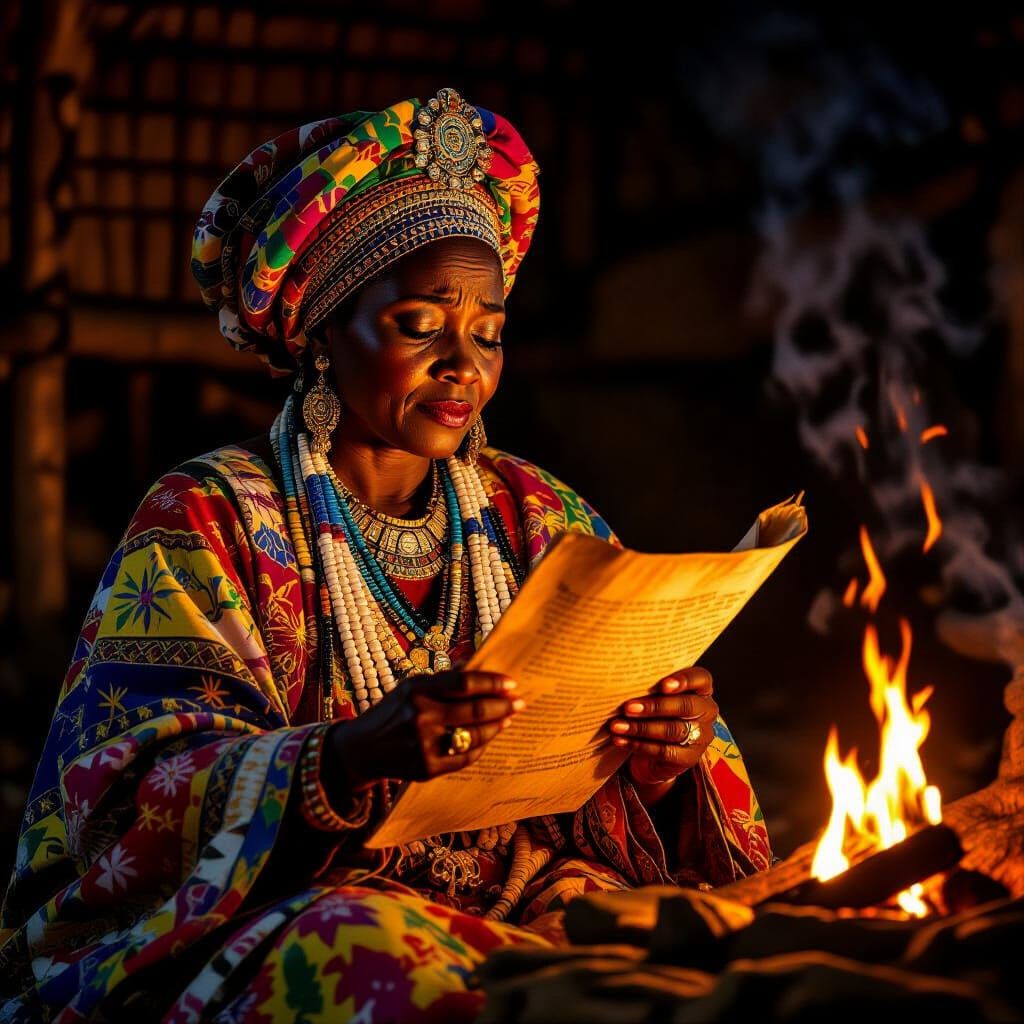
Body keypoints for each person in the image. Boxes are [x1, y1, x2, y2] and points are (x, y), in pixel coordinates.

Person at [0, 87, 771, 1022]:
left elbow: (635, 780)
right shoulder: (209, 516)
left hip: (525, 902)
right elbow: (120, 806)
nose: (465, 365)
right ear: (326, 329)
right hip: (295, 912)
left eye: (488, 334)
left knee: (671, 966)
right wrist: (349, 755)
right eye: (420, 326)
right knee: (373, 957)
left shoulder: (542, 515)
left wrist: (664, 754)